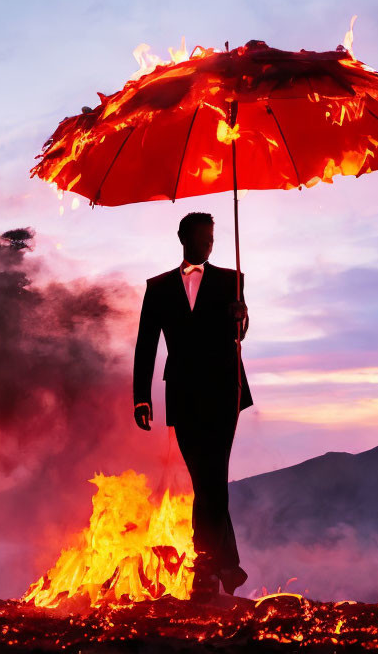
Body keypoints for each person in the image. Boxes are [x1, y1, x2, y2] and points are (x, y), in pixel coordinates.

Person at [133, 211, 253, 602]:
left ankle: (204, 566)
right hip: (183, 392)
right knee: (206, 480)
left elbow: (239, 334)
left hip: (224, 389)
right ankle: (228, 566)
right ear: (183, 237)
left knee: (214, 472)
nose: (208, 245)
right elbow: (146, 344)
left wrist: (241, 316)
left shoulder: (231, 281)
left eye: (212, 239)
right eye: (202, 238)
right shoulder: (158, 287)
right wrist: (141, 396)